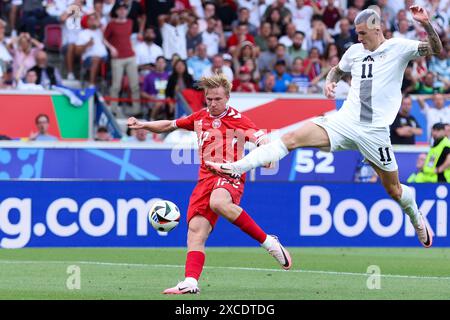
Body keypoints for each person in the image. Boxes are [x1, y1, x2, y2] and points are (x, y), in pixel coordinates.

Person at [206, 6, 443, 249]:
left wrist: (425, 23)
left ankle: (414, 214)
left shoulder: (398, 48)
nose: (358, 38)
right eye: (356, 33)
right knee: (291, 138)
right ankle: (236, 167)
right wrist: (330, 83)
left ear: (376, 28)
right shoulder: (354, 51)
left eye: (362, 33)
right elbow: (337, 71)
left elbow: (436, 48)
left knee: (394, 189)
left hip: (375, 132)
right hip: (345, 122)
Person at [127, 73, 292, 295]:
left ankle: (269, 242)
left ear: (227, 98)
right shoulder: (199, 117)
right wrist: (143, 124)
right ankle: (190, 281)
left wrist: (265, 146)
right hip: (205, 179)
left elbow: (259, 137)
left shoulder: (238, 119)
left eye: (217, 99)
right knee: (195, 232)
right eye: (209, 99)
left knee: (218, 202)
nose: (213, 104)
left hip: (229, 175)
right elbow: (169, 125)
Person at [104, 2, 141, 117]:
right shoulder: (111, 24)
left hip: (130, 56)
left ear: (126, 11)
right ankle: (113, 109)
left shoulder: (130, 22)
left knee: (134, 85)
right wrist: (111, 48)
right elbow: (104, 38)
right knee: (116, 85)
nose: (122, 11)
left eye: (124, 9)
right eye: (120, 9)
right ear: (116, 11)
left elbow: (133, 36)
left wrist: (133, 47)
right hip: (117, 58)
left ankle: (136, 110)